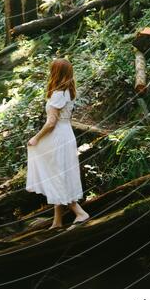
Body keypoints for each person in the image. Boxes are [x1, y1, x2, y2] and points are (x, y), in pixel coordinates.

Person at [26, 58, 90, 230]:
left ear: (56, 72)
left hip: (58, 136)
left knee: (58, 175)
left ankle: (80, 213)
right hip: (66, 133)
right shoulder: (68, 91)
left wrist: (36, 138)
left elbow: (51, 122)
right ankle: (57, 221)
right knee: (60, 173)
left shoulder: (57, 94)